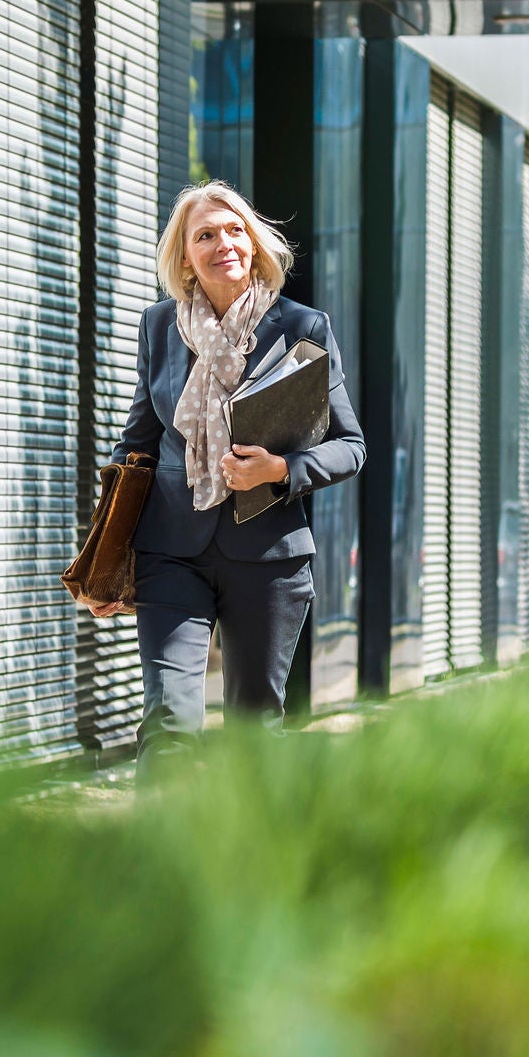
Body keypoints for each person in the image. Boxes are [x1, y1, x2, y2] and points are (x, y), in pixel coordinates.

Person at [91, 180, 364, 776]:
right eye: (205, 235)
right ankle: (157, 858)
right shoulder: (159, 328)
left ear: (255, 242)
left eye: (234, 230)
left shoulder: (301, 327)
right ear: (185, 256)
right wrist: (105, 553)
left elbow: (352, 447)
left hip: (268, 557)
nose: (223, 244)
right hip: (171, 552)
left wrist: (281, 470)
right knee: (168, 723)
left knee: (253, 733)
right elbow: (136, 444)